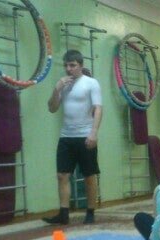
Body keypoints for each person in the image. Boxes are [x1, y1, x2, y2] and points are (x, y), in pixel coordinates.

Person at [43, 50, 103, 225]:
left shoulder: (91, 83)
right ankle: (63, 214)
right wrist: (56, 89)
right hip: (66, 136)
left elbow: (98, 108)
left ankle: (90, 212)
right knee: (62, 175)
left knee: (89, 176)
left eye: (72, 65)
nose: (69, 69)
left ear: (80, 65)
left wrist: (94, 132)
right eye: (66, 65)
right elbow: (52, 108)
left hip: (85, 135)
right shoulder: (63, 84)